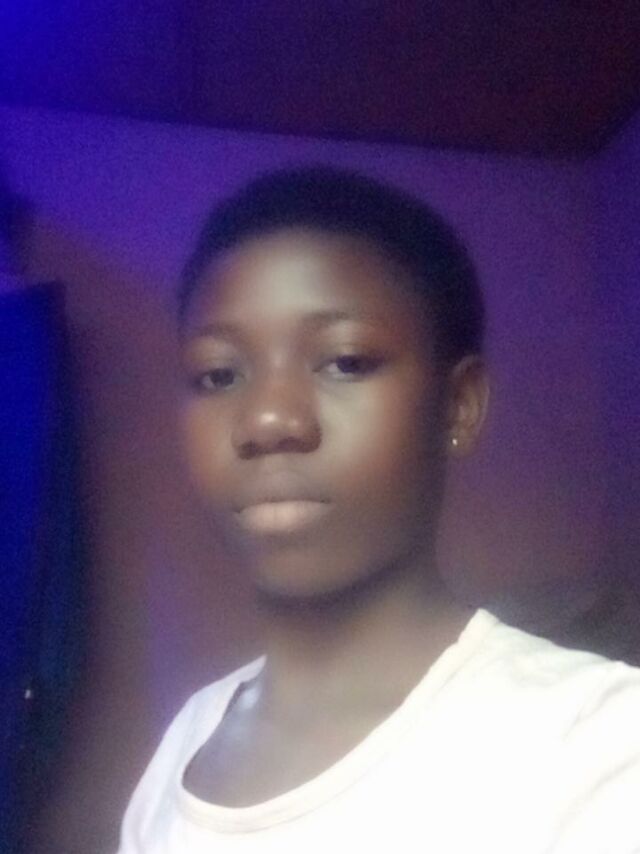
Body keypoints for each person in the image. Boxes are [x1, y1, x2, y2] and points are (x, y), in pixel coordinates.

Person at [117, 167, 640, 853]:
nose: (268, 419)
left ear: (459, 405)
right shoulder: (187, 739)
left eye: (345, 362)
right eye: (219, 374)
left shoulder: (599, 746)